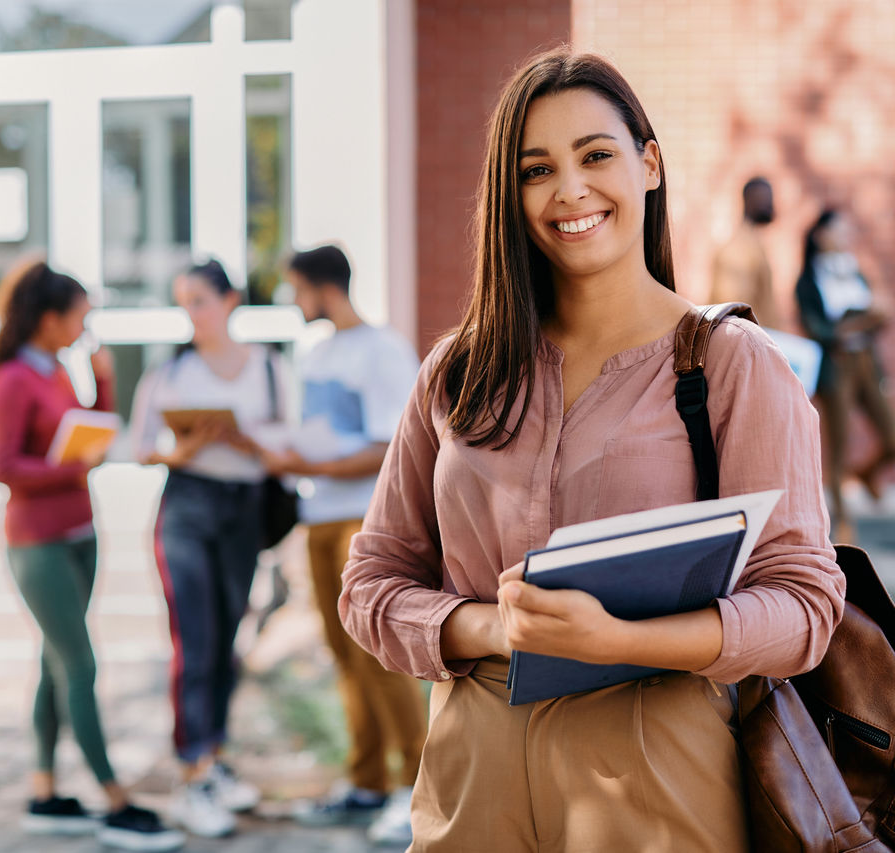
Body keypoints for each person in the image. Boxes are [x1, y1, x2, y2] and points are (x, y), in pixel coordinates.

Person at [338, 49, 844, 851]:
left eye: (596, 155)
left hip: (659, 768)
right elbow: (370, 585)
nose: (570, 190)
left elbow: (806, 607)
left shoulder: (733, 365)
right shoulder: (457, 372)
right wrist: (490, 628)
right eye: (537, 169)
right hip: (473, 775)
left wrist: (620, 641)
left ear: (648, 163)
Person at [0, 258, 184, 852]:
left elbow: (92, 429)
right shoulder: (12, 379)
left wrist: (105, 383)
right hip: (37, 542)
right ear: (47, 319)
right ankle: (114, 800)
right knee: (81, 665)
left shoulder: (58, 372)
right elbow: (3, 466)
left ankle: (44, 793)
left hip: (79, 534)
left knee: (54, 661)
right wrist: (72, 467)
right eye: (79, 316)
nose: (85, 325)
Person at [259, 245, 426, 846]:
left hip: (366, 518)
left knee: (381, 657)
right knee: (343, 654)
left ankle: (417, 790)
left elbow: (392, 445)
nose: (293, 302)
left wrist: (312, 464)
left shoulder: (383, 351)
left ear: (324, 288)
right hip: (317, 517)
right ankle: (366, 784)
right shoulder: (318, 353)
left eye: (297, 289)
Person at [128, 260, 284, 837]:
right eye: (183, 302)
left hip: (244, 510)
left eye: (199, 300)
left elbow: (289, 447)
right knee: (193, 643)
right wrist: (186, 448)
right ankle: (192, 774)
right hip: (186, 508)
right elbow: (142, 446)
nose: (191, 313)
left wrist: (245, 440)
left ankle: (213, 759)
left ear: (230, 300)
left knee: (227, 642)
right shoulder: (171, 373)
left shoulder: (269, 368)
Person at [795, 209, 895, 542]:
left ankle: (868, 472)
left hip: (866, 364)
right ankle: (843, 525)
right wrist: (862, 321)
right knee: (838, 449)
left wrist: (867, 321)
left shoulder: (855, 270)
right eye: (839, 231)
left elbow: (881, 314)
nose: (845, 237)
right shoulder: (808, 280)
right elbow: (819, 330)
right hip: (836, 367)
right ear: (821, 235)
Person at [710, 176, 780, 328]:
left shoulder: (753, 242)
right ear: (749, 200)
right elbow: (732, 311)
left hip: (765, 335)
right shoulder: (738, 249)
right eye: (765, 198)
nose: (771, 205)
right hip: (750, 338)